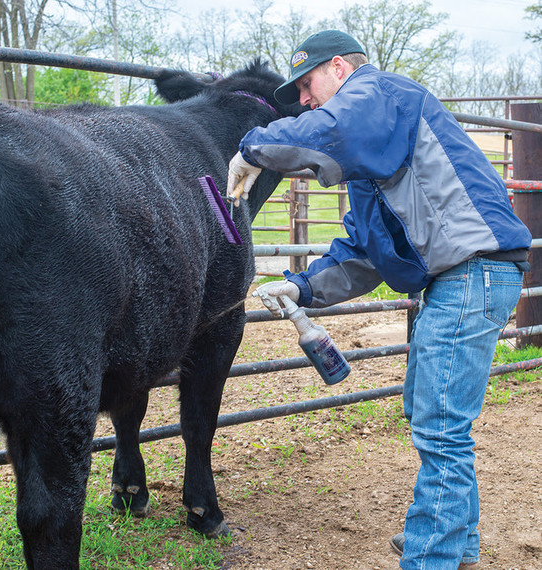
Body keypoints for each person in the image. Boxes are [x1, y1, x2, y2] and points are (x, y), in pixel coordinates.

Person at [226, 29, 532, 569]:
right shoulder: (376, 157)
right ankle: (456, 541)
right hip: (461, 277)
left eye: (308, 83)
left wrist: (255, 149)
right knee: (430, 409)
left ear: (341, 68)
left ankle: (430, 555)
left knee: (439, 421)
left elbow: (331, 128)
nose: (304, 98)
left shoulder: (382, 96)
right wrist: (301, 285)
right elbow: (365, 254)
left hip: (474, 270)